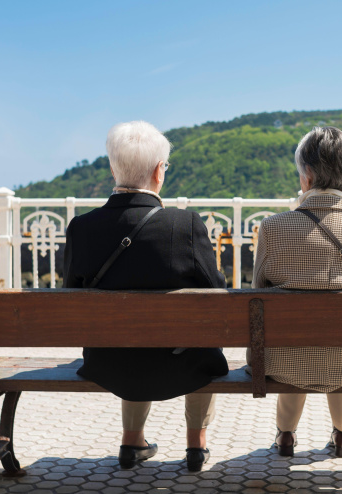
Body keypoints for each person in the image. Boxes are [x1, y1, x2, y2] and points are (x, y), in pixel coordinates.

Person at [63, 120, 229, 472]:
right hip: (181, 365)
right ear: (158, 171)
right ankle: (196, 445)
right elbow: (218, 296)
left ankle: (132, 441)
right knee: (203, 337)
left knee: (129, 339)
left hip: (108, 364)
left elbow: (70, 299)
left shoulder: (82, 228)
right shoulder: (185, 226)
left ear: (113, 170)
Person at [250, 126, 342, 458]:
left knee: (296, 346)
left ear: (308, 175)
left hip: (284, 359)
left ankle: (285, 436)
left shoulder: (272, 228)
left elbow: (258, 295)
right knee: (340, 344)